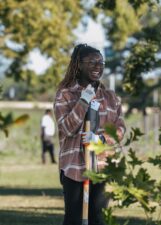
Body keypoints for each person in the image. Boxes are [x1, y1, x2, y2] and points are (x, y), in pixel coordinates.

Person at [54, 43, 126, 225]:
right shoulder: (65, 94)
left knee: (98, 218)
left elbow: (120, 129)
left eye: (101, 62)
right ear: (79, 64)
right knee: (74, 219)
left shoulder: (110, 97)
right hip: (74, 167)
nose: (98, 66)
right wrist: (84, 100)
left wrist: (101, 139)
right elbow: (67, 128)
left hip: (102, 165)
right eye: (92, 62)